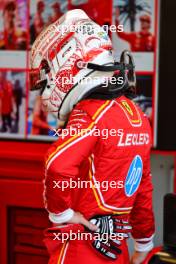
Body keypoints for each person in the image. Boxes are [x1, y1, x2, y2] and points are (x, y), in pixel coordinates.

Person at [30, 9, 155, 264]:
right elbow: (142, 187)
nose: (44, 91)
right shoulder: (137, 116)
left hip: (81, 245)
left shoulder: (89, 113)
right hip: (117, 247)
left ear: (67, 63)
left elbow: (57, 165)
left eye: (45, 80)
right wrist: (144, 242)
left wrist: (62, 215)